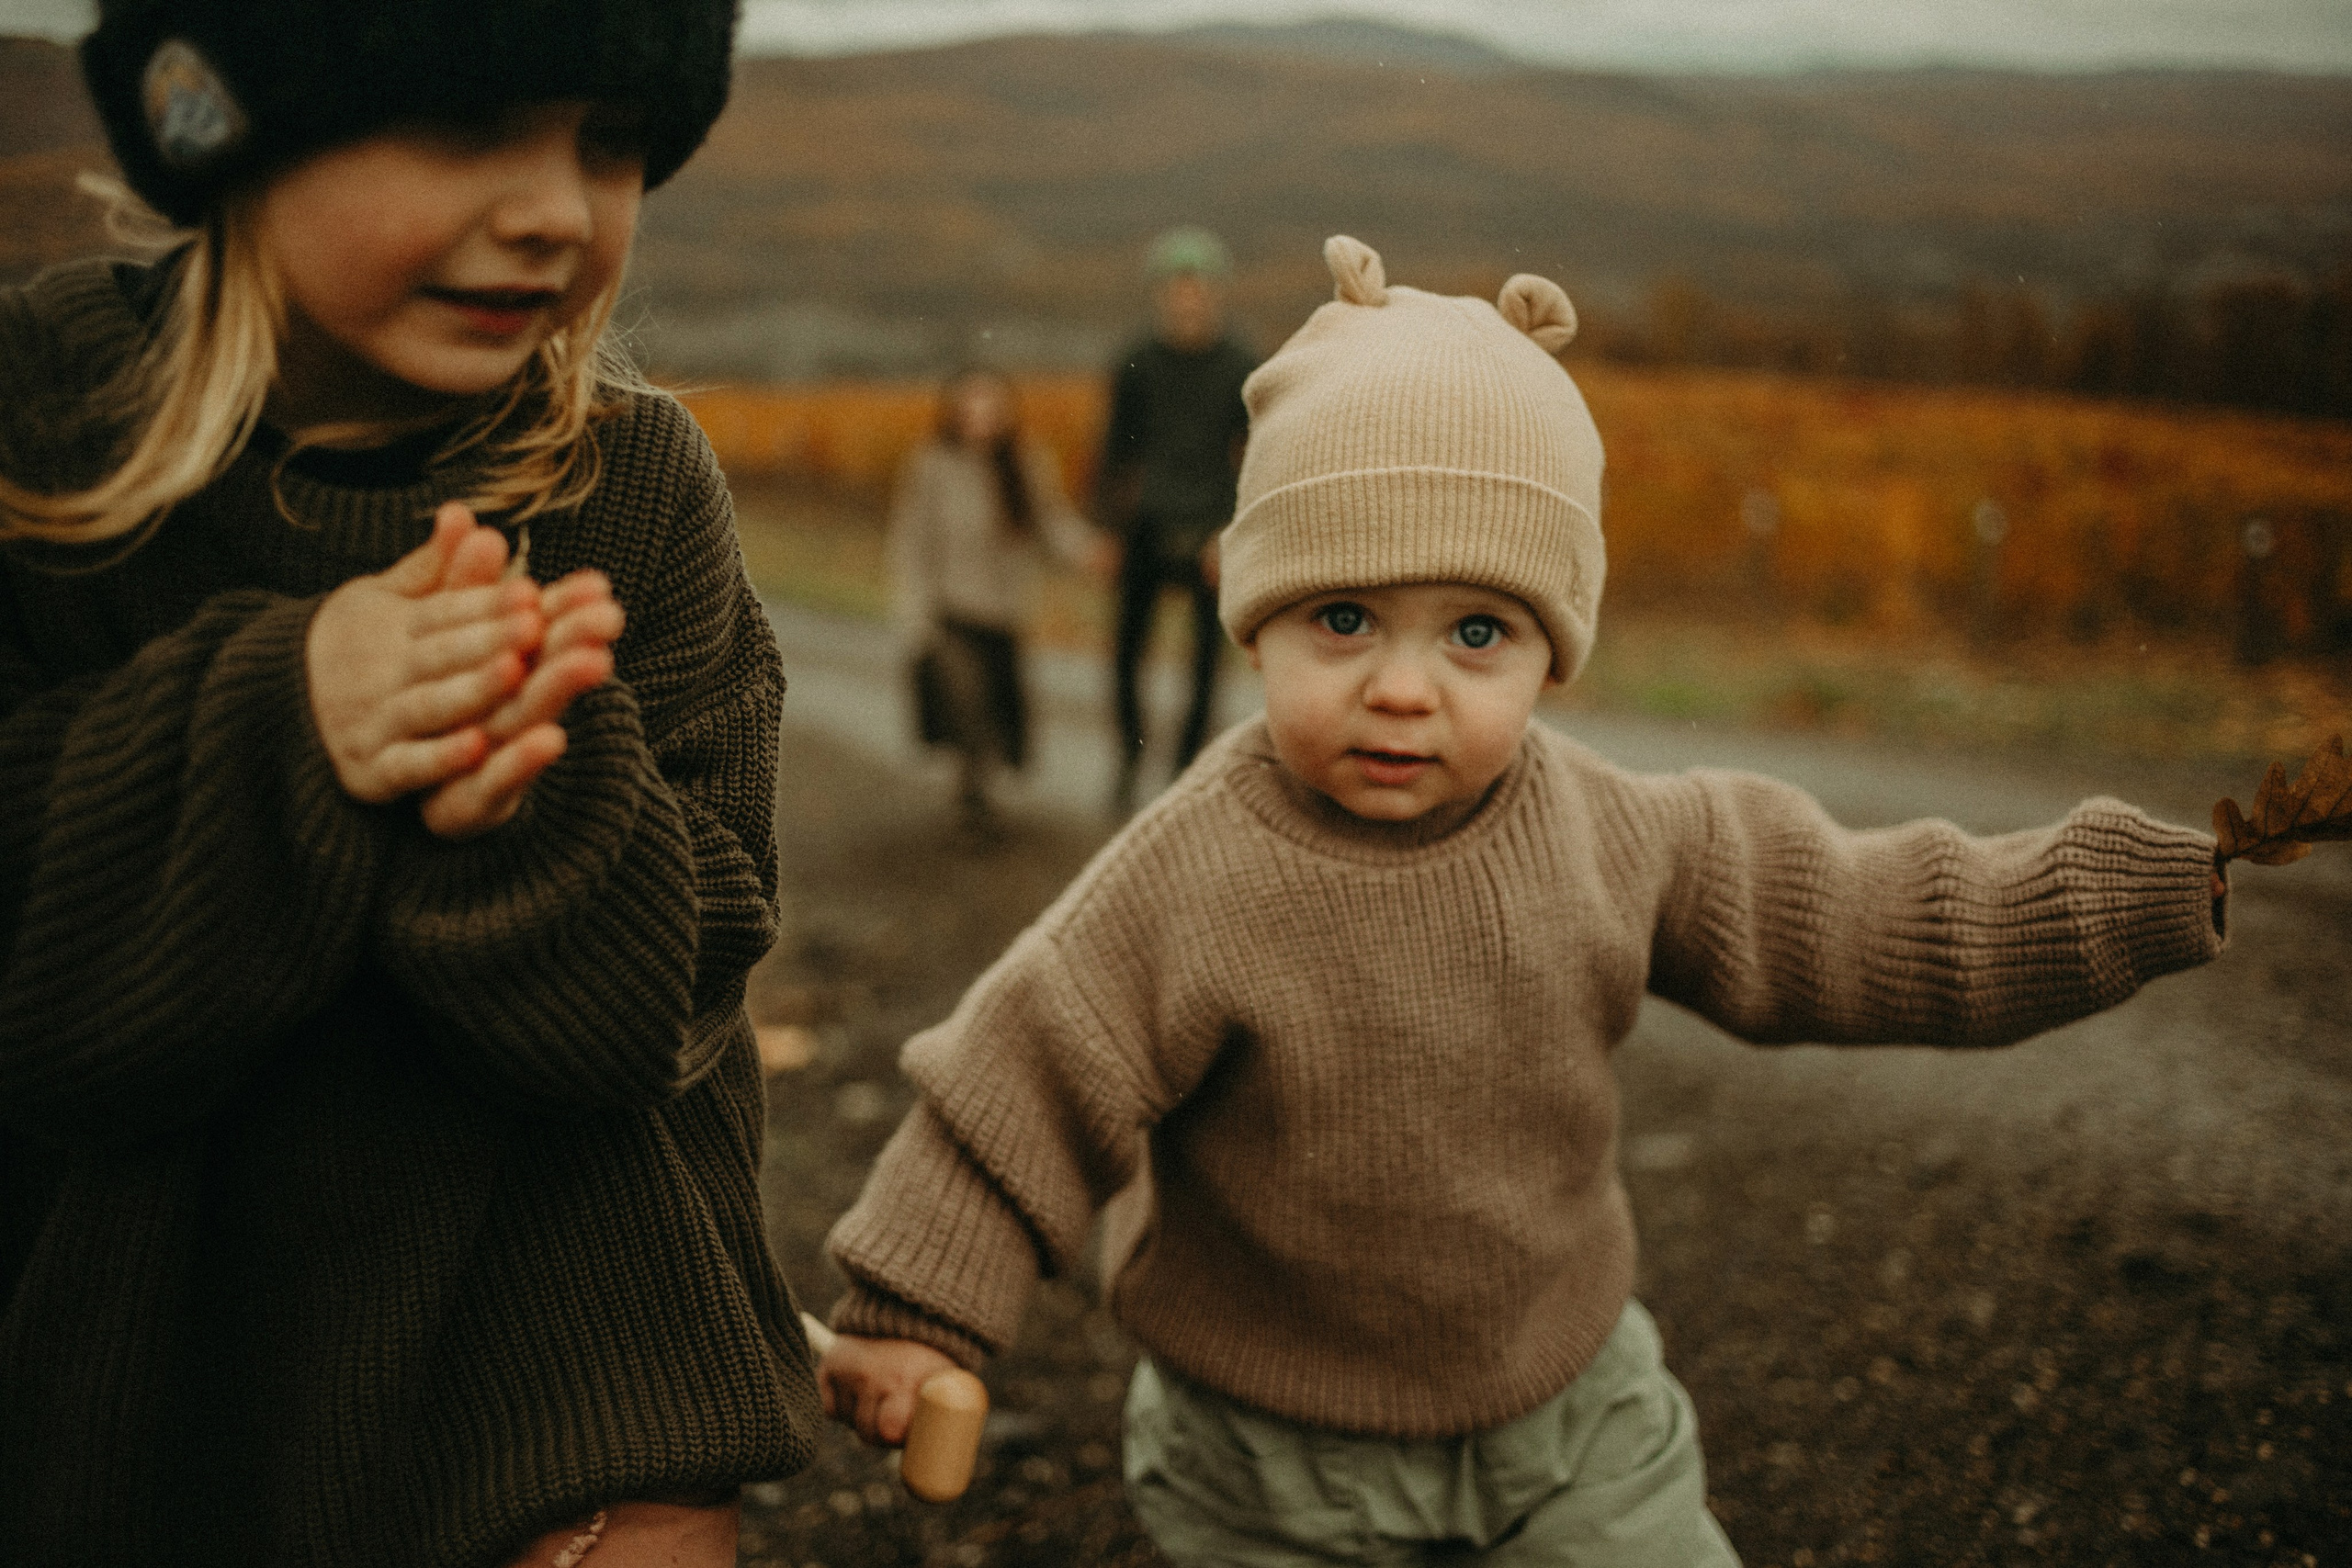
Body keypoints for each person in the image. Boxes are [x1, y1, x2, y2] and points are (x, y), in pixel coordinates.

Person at [812, 238, 2237, 1566]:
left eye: (1477, 630)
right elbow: (1022, 1077)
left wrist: (2149, 885)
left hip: (1571, 1417)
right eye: (1343, 616)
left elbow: (1866, 919)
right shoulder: (1197, 870)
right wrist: (915, 1310)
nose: (1402, 684)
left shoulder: (1614, 833)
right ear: (1256, 618)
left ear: (1554, 656)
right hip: (1265, 1453)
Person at [0, 5, 819, 1564]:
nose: (556, 213)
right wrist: (285, 721)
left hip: (582, 1443)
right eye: (467, 125)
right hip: (150, 1444)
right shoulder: (40, 443)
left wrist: (527, 794)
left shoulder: (630, 487)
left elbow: (677, 1001)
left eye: (612, 142)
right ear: (225, 122)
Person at [889, 367, 1102, 841]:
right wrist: (914, 614)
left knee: (1001, 711)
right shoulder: (931, 465)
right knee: (968, 704)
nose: (981, 415)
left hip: (1005, 613)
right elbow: (911, 542)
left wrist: (1091, 552)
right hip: (950, 611)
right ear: (956, 409)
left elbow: (1053, 525)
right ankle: (973, 800)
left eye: (991, 406)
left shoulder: (1025, 464)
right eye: (972, 404)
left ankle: (980, 793)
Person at [1097, 225, 1258, 814]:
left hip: (1212, 527)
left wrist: (1233, 533)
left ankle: (1186, 772)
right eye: (1176, 286)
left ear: (1215, 292)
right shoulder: (1136, 359)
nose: (1187, 296)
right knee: (1125, 652)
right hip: (1145, 523)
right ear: (1161, 292)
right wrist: (1108, 531)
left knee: (1206, 663)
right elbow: (1115, 451)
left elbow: (1258, 454)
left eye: (1198, 286)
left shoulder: (1242, 363)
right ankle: (1129, 760)